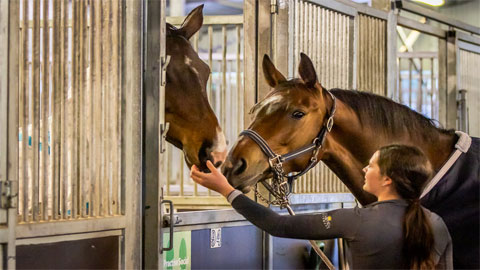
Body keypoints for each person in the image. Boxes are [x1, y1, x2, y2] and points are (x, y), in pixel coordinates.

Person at [191, 144, 453, 269]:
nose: (364, 169)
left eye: (371, 165)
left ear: (387, 179)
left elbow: (278, 225)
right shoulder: (436, 223)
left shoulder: (356, 220)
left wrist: (226, 189)